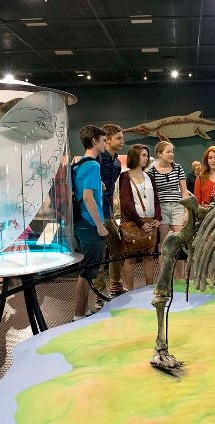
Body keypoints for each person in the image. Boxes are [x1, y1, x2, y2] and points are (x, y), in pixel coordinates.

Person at [72, 125, 109, 321]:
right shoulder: (93, 165)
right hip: (89, 223)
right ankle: (78, 314)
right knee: (87, 270)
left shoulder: (78, 164)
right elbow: (88, 197)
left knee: (86, 269)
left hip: (80, 223)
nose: (105, 144)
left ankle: (83, 311)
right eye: (103, 140)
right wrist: (99, 225)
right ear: (94, 141)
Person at [119, 144, 161, 289]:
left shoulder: (149, 176)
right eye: (143, 155)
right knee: (130, 259)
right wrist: (140, 222)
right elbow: (126, 203)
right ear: (135, 156)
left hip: (150, 222)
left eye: (146, 155)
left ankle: (149, 288)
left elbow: (156, 199)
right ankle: (130, 290)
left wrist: (157, 217)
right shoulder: (125, 176)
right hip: (133, 222)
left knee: (149, 257)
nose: (146, 158)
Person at [92, 123, 126, 297]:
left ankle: (115, 284)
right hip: (96, 213)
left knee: (117, 246)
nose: (122, 141)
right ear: (108, 140)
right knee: (99, 253)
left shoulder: (116, 162)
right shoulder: (98, 159)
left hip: (109, 212)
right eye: (118, 138)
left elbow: (112, 189)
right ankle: (99, 291)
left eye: (122, 137)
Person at [147, 140, 188, 277]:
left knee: (179, 242)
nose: (171, 154)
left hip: (177, 206)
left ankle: (179, 277)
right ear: (159, 153)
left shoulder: (178, 168)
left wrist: (186, 211)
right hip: (161, 209)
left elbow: (184, 191)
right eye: (168, 151)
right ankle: (165, 276)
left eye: (172, 151)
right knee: (163, 243)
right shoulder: (151, 170)